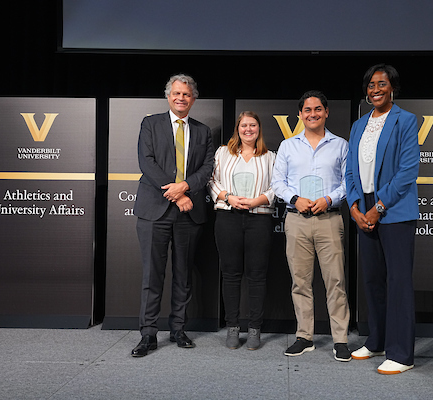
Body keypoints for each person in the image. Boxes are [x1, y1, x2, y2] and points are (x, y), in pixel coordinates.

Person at [131, 74, 214, 357]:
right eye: (176, 93)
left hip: (188, 216)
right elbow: (147, 162)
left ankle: (178, 329)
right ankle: (148, 334)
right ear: (168, 96)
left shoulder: (203, 132)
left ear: (193, 99)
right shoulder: (150, 124)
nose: (181, 98)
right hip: (155, 211)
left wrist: (186, 187)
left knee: (183, 276)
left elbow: (206, 168)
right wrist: (178, 195)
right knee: (152, 275)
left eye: (187, 94)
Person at [345, 64, 419, 374]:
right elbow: (349, 169)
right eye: (371, 85)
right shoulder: (359, 125)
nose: (375, 89)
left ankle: (401, 354)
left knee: (398, 281)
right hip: (364, 208)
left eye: (382, 84)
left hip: (394, 209)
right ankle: (376, 340)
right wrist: (354, 205)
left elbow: (407, 172)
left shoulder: (406, 120)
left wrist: (380, 207)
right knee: (372, 279)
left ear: (393, 88)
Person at [271, 90, 352, 362]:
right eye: (307, 110)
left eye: (318, 109)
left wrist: (330, 198)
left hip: (330, 219)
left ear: (326, 112)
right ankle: (304, 336)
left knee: (335, 282)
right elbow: (277, 182)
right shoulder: (287, 146)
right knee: (300, 282)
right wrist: (295, 198)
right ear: (300, 114)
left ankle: (340, 339)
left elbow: (347, 183)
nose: (313, 114)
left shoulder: (341, 145)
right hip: (296, 220)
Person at [208, 111, 276, 350]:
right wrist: (228, 197)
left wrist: (257, 201)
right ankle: (233, 327)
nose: (248, 129)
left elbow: (276, 186)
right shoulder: (222, 153)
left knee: (257, 276)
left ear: (259, 128)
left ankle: (255, 328)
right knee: (231, 274)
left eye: (253, 125)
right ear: (237, 128)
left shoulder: (271, 157)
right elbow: (211, 181)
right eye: (244, 125)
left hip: (259, 219)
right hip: (228, 217)